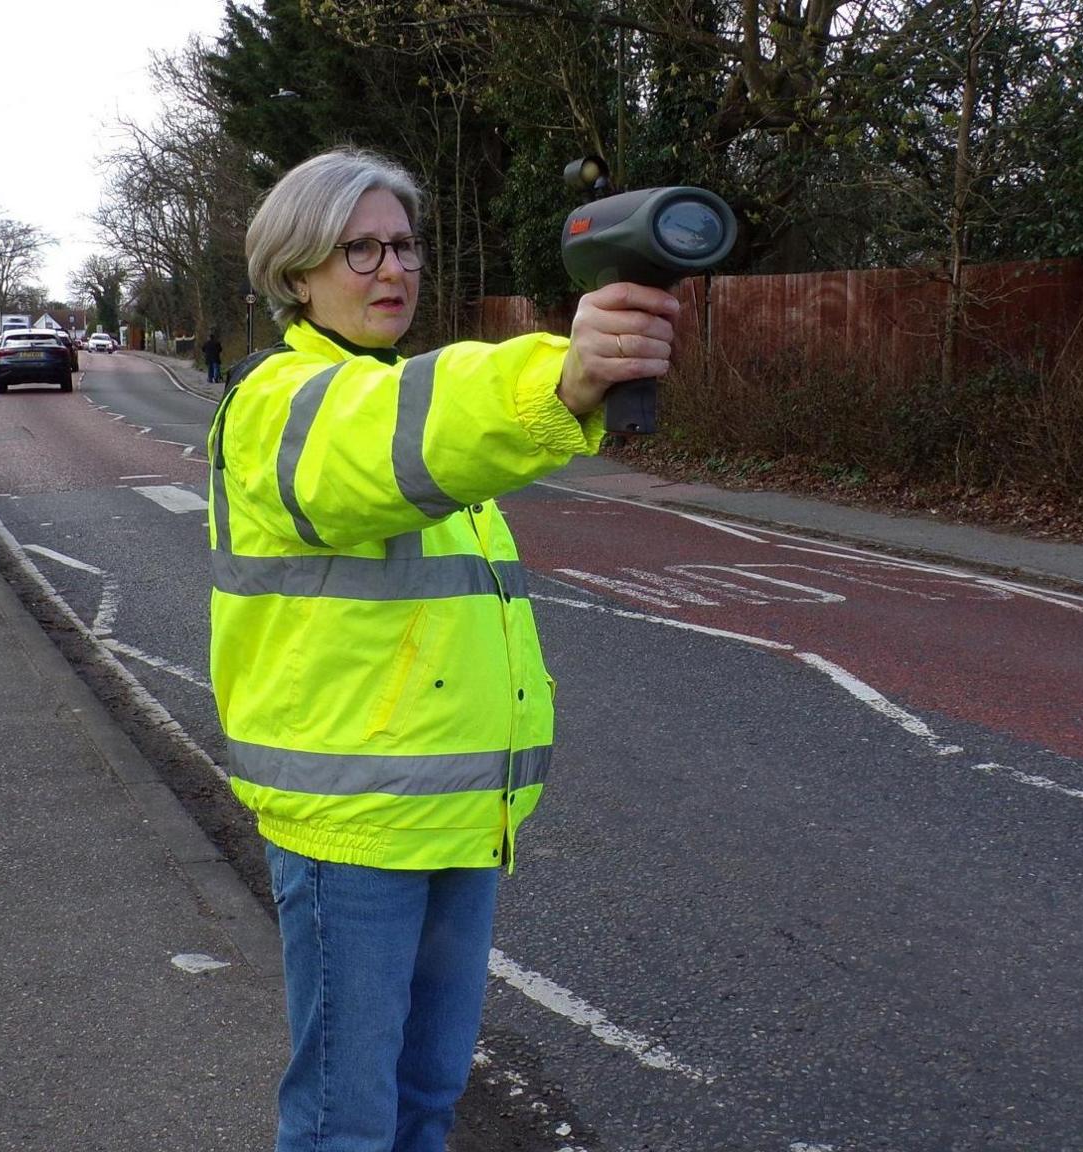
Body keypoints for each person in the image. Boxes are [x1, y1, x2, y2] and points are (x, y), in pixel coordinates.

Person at [205, 147, 679, 1152]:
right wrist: (561, 373)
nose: (392, 270)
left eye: (404, 246)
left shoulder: (383, 393)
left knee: (426, 1106)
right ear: (296, 273)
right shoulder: (283, 403)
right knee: (347, 1122)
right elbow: (396, 432)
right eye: (358, 250)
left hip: (458, 821)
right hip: (354, 833)